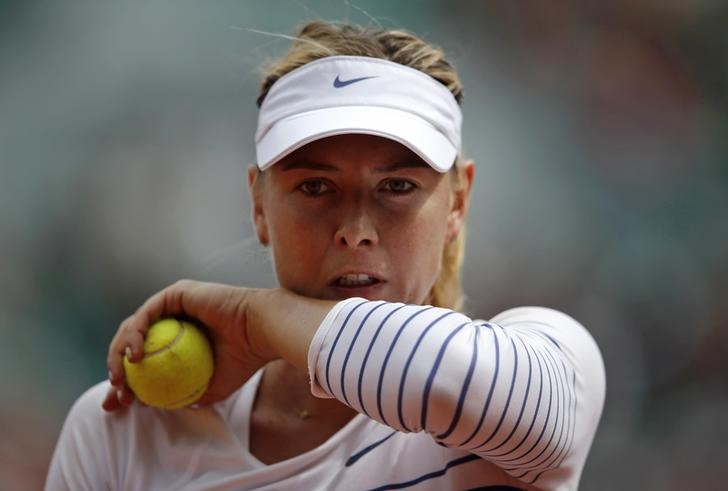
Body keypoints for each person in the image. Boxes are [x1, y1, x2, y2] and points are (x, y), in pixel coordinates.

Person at [45, 21, 605, 491]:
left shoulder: (545, 355)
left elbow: (535, 411)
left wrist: (255, 320)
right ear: (259, 206)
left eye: (397, 187)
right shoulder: (122, 431)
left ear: (459, 202)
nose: (356, 231)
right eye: (315, 187)